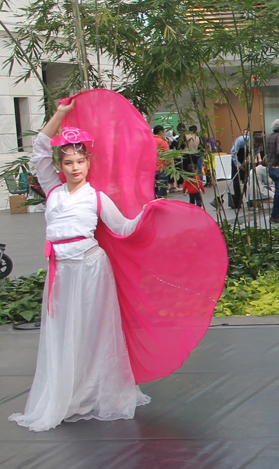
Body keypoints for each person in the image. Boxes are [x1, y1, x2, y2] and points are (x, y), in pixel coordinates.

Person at [9, 101, 150, 432]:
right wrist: (59, 114)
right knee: (62, 333)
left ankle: (93, 392)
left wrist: (150, 213)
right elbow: (39, 149)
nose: (75, 167)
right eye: (69, 162)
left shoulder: (97, 197)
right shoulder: (54, 192)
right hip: (61, 272)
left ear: (89, 163)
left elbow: (125, 228)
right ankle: (66, 393)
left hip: (91, 269)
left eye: (80, 161)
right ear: (60, 166)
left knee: (92, 331)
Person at [230, 130, 263, 209]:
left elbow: (255, 154)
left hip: (245, 160)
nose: (258, 146)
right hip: (237, 159)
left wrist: (249, 161)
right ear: (253, 141)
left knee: (247, 180)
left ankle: (250, 200)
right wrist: (238, 165)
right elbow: (233, 153)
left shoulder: (257, 146)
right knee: (237, 180)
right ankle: (237, 201)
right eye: (257, 145)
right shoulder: (241, 140)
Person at [153, 125, 175, 197]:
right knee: (162, 189)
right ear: (160, 132)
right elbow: (168, 156)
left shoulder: (149, 141)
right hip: (162, 167)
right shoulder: (163, 142)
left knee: (153, 188)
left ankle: (155, 202)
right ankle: (161, 202)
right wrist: (172, 167)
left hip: (151, 169)